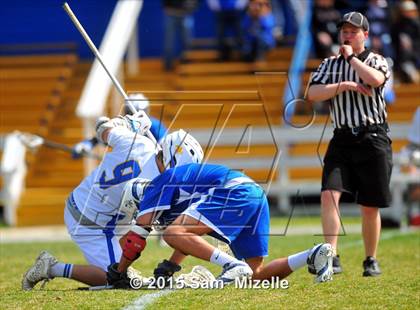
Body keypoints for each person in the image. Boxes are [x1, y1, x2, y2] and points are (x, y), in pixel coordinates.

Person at [21, 114, 204, 290]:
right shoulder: (157, 186)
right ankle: (51, 267)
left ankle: (116, 260)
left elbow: (103, 127)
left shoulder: (140, 143)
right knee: (114, 278)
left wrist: (127, 124)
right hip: (91, 219)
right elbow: (145, 233)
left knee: (132, 240)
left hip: (96, 207)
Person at [106, 163, 334, 288]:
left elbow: (136, 240)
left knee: (171, 232)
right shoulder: (173, 193)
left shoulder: (155, 187)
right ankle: (312, 255)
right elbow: (188, 236)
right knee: (255, 277)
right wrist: (170, 265)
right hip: (252, 192)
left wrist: (120, 270)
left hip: (234, 190)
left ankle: (231, 265)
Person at [307, 11, 392, 277]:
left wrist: (352, 58)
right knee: (329, 195)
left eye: (353, 31)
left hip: (372, 136)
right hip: (342, 137)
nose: (347, 35)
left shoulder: (377, 59)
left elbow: (376, 80)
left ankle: (370, 258)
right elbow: (312, 93)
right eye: (344, 31)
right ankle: (331, 256)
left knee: (369, 205)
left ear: (365, 35)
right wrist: (343, 85)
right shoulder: (330, 64)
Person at [71, 93, 167, 159]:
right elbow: (99, 138)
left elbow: (165, 145)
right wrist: (85, 145)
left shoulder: (155, 126)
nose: (135, 116)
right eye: (130, 112)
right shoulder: (121, 125)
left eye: (139, 112)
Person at [162, 0, 199, 71]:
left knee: (187, 42)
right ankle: (168, 67)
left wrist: (193, 7)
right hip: (171, 13)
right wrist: (166, 7)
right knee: (169, 43)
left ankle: (187, 66)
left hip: (186, 15)